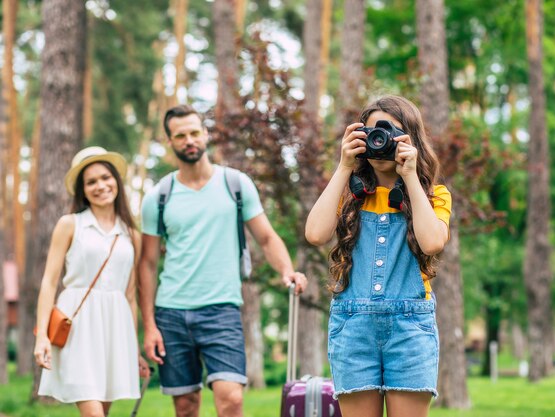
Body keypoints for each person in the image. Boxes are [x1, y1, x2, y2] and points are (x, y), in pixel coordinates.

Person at [138, 104, 308, 417]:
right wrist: (149, 325)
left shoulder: (236, 184)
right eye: (180, 136)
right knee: (186, 407)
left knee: (231, 400)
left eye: (193, 132)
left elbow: (267, 238)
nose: (188, 140)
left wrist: (286, 270)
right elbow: (147, 264)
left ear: (204, 135)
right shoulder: (158, 197)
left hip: (221, 311)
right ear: (170, 142)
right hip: (172, 313)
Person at [305, 95, 451, 417]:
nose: (380, 140)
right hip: (353, 326)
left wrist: (410, 175)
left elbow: (432, 243)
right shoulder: (349, 194)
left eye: (391, 132)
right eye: (371, 133)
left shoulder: (432, 196)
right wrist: (344, 166)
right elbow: (315, 234)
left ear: (411, 140)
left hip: (410, 328)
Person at [34, 146, 150, 417]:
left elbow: (130, 296)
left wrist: (133, 349)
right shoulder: (70, 224)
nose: (101, 186)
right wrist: (42, 336)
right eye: (91, 182)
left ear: (117, 182)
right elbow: (49, 283)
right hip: (78, 325)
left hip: (115, 326)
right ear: (82, 190)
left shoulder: (132, 234)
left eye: (106, 178)